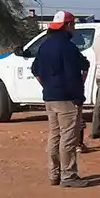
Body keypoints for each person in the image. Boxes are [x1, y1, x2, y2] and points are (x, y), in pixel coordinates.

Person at [30, 10, 90, 188]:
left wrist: (47, 86)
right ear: (68, 25)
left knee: (55, 136)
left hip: (50, 97)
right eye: (73, 25)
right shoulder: (68, 48)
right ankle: (68, 175)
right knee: (68, 138)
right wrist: (78, 97)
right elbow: (74, 74)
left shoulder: (44, 46)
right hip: (67, 99)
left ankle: (54, 174)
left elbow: (35, 70)